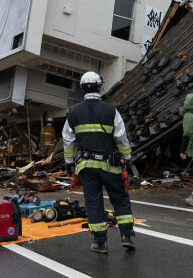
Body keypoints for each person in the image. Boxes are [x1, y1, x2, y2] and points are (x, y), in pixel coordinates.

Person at [63, 72, 135, 254]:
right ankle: (127, 236)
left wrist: (69, 162)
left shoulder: (73, 112)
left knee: (93, 201)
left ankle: (100, 242)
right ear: (100, 87)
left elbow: (68, 139)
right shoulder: (111, 110)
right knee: (119, 198)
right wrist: (127, 157)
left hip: (87, 166)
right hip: (110, 164)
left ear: (82, 89)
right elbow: (121, 137)